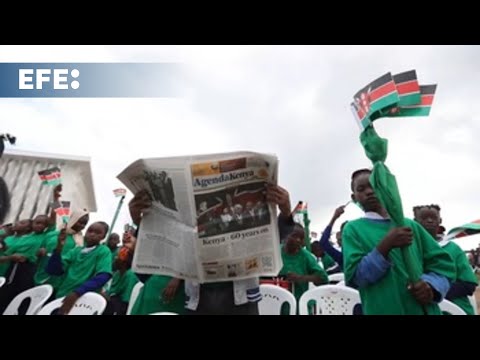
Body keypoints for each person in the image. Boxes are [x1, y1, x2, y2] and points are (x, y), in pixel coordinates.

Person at [342, 168, 456, 315]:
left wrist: (431, 286)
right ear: (354, 197)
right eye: (361, 189)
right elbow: (357, 277)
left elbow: (443, 265)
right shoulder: (353, 230)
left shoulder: (409, 225)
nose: (369, 191)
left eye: (374, 185)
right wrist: (386, 245)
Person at [414, 204, 478, 315]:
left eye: (433, 218)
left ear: (440, 220)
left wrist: (435, 292)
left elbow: (469, 285)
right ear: (415, 221)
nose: (430, 221)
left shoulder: (453, 249)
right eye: (424, 218)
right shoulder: (408, 248)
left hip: (455, 309)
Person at [46, 221, 112, 315]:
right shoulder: (76, 251)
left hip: (83, 300)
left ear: (103, 237)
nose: (92, 234)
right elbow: (54, 271)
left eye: (98, 233)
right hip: (63, 296)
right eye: (90, 231)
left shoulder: (103, 251)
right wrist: (58, 248)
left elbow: (103, 275)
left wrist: (77, 292)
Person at [103, 245, 139, 315]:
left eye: (118, 258)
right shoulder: (117, 273)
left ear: (124, 262)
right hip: (112, 301)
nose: (115, 259)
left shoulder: (130, 275)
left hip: (121, 306)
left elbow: (125, 300)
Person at [318, 205, 347, 270]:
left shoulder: (345, 259)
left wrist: (334, 217)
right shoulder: (344, 258)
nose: (338, 241)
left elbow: (323, 242)